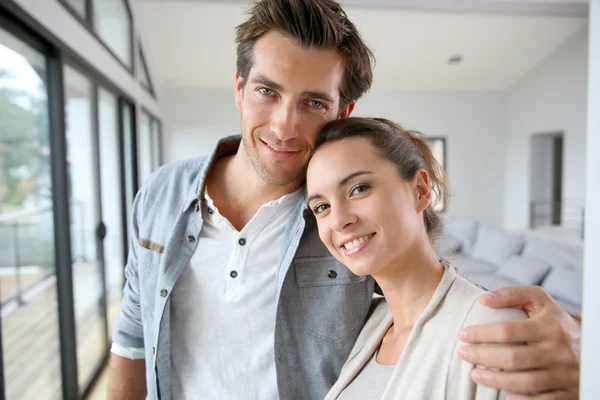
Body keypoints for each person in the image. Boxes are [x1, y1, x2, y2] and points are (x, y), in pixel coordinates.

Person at [108, 1, 581, 399]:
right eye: (267, 91)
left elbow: (433, 293)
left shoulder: (340, 227)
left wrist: (582, 339)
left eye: (313, 103)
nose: (284, 126)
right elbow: (134, 331)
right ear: (239, 87)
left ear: (342, 111)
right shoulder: (160, 193)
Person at [305, 117, 524, 399]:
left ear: (420, 190)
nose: (338, 221)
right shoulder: (372, 323)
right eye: (321, 206)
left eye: (358, 189)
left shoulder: (491, 328)